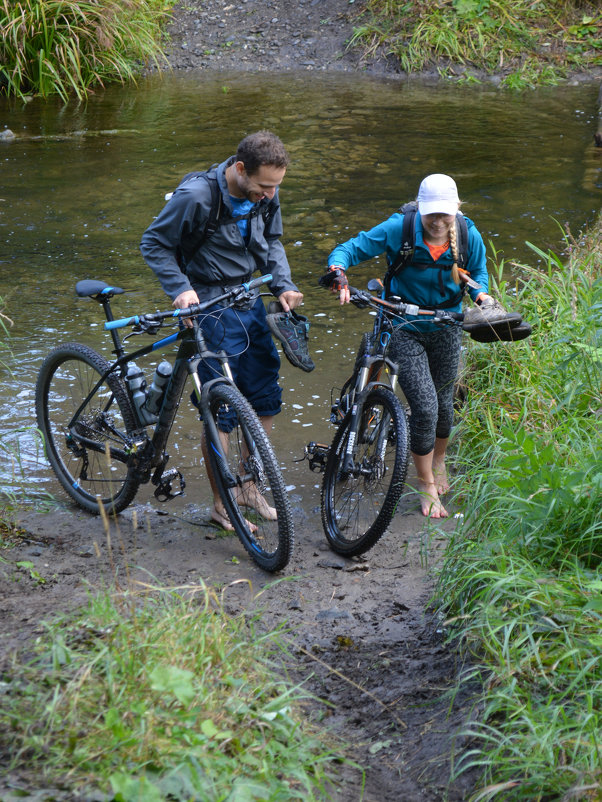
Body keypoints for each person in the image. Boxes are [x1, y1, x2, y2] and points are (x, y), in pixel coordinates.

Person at [140, 130, 303, 530]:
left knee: (264, 398)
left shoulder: (265, 190)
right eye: (264, 186)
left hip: (248, 298)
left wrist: (282, 283)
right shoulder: (197, 197)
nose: (269, 194)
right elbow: (154, 243)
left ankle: (248, 485)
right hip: (207, 304)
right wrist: (181, 291)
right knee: (221, 408)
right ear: (240, 169)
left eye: (275, 187)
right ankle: (221, 502)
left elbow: (274, 239)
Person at [322, 173, 493, 518]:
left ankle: (439, 461)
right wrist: (338, 271)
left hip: (447, 326)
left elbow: (478, 273)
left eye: (445, 214)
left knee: (446, 405)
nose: (438, 222)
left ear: (456, 210)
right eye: (431, 214)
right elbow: (349, 249)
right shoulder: (398, 229)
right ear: (420, 208)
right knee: (426, 406)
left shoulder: (466, 233)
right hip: (402, 324)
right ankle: (425, 483)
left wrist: (482, 296)